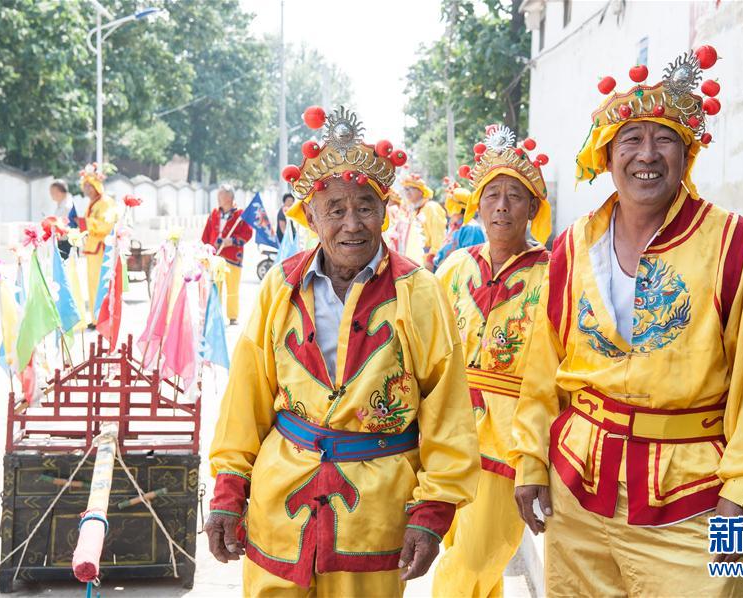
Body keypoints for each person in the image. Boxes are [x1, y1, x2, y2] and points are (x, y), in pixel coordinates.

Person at [510, 48, 743, 597]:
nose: (647, 155)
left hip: (692, 499)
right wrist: (529, 461)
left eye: (664, 139)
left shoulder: (730, 242)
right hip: (577, 487)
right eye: (631, 140)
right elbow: (543, 366)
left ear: (686, 155)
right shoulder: (572, 245)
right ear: (607, 155)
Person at [206, 105, 480, 597]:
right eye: (335, 209)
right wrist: (228, 491)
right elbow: (243, 398)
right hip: (280, 506)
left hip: (375, 517)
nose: (351, 223)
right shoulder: (279, 287)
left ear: (385, 212)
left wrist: (433, 511)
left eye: (365, 207)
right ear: (310, 215)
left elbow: (448, 408)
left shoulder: (419, 292)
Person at [432, 125, 553, 597]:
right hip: (447, 435)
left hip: (510, 442)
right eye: (492, 194)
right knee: (463, 556)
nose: (502, 205)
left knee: (473, 560)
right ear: (476, 205)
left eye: (515, 196)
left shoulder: (553, 274)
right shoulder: (453, 267)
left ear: (532, 208)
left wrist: (536, 459)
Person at [201, 184, 253, 325]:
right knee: (215, 287)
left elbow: (248, 233)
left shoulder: (240, 215)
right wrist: (207, 248)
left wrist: (232, 241)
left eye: (221, 195)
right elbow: (206, 234)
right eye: (218, 195)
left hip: (232, 256)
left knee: (232, 288)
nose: (218, 198)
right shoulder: (214, 213)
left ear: (229, 197)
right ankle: (215, 314)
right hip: (215, 256)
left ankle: (232, 316)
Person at [80, 164, 118, 327]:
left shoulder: (106, 202)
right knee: (92, 283)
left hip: (102, 249)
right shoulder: (92, 203)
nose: (87, 189)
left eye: (90, 186)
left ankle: (103, 318)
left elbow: (107, 225)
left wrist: (87, 223)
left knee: (101, 283)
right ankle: (96, 318)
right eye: (85, 186)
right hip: (92, 249)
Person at [400, 173, 446, 271]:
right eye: (405, 189)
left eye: (410, 188)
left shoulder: (431, 207)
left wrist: (431, 259)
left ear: (421, 191)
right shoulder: (415, 210)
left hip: (430, 263)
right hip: (416, 261)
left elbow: (438, 236)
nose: (407, 192)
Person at [434, 183, 486, 267]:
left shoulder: (471, 228)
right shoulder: (455, 226)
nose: (446, 206)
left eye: (449, 203)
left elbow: (471, 262)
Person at [49, 179, 74, 260]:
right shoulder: (62, 204)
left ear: (60, 192)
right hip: (61, 241)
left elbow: (63, 225)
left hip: (67, 243)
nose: (51, 194)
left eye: (52, 192)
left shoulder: (67, 206)